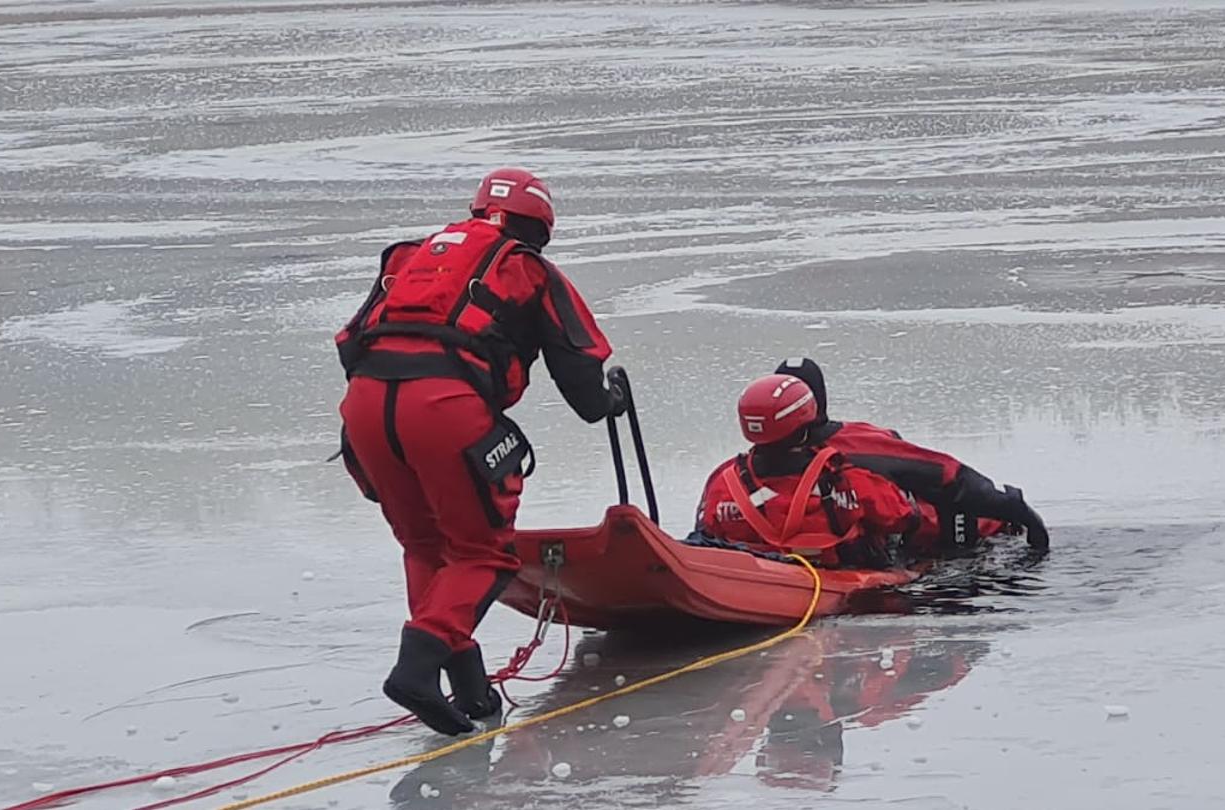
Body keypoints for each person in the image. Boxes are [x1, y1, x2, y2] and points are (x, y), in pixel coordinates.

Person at [334, 166, 627, 735]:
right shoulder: (527, 267)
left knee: (425, 545)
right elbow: (581, 379)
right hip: (443, 405)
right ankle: (417, 669)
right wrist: (610, 401)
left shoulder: (411, 257)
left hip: (365, 403)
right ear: (540, 224)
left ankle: (469, 687)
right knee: (483, 553)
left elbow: (352, 342)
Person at [772, 357, 1050, 550]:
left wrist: (1015, 508)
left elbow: (947, 475)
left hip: (943, 541)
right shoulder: (756, 465)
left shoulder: (864, 445)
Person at [695, 374, 932, 568]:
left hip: (747, 581)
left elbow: (706, 533)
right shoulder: (847, 477)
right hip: (839, 583)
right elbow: (903, 517)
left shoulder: (723, 482)